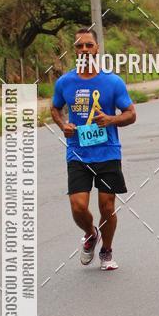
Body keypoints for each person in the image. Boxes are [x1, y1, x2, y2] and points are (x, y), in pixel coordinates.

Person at [51, 28, 136, 271]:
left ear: (97, 48)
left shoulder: (112, 82)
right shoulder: (65, 82)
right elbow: (55, 108)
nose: (85, 50)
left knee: (107, 206)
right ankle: (90, 233)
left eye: (89, 45)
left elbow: (131, 114)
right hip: (78, 152)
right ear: (74, 50)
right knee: (78, 206)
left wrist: (111, 120)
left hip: (108, 152)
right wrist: (63, 124)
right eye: (80, 46)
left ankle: (107, 251)